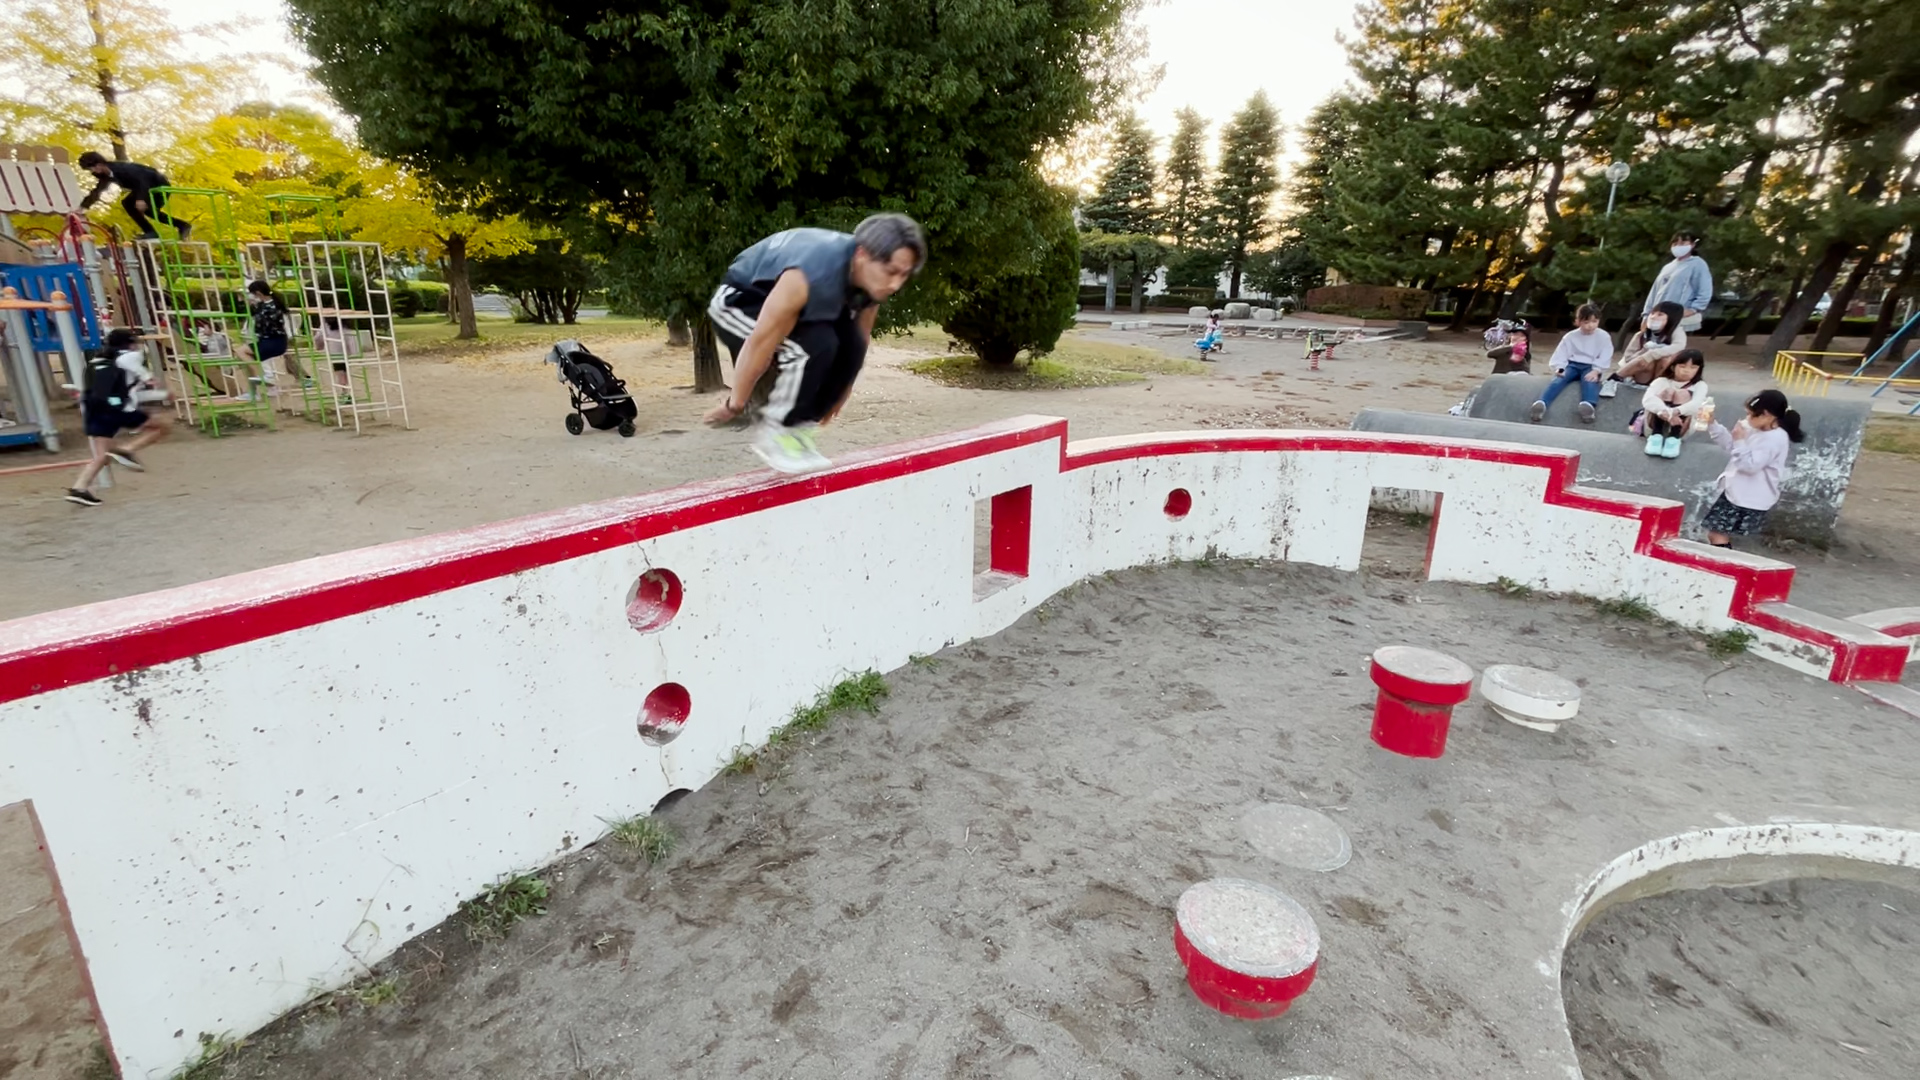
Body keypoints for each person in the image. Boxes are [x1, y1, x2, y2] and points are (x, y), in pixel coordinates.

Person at [702, 213, 927, 472]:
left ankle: (799, 431)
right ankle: (776, 433)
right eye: (890, 272)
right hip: (740, 300)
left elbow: (859, 340)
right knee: (813, 345)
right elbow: (759, 343)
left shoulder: (869, 284)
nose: (895, 285)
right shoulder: (806, 277)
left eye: (903, 275)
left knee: (846, 344)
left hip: (789, 302)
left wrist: (842, 389)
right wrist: (736, 404)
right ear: (862, 254)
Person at [66, 328, 171, 506]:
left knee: (102, 455)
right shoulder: (129, 356)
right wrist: (148, 377)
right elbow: (129, 389)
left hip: (93, 408)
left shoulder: (96, 361)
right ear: (129, 343)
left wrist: (160, 394)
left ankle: (80, 488)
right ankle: (127, 450)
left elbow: (127, 393)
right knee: (161, 427)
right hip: (116, 410)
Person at [1702, 389, 1803, 548]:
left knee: (1717, 534)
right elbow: (1731, 446)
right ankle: (1723, 564)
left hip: (1750, 496)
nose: (1747, 419)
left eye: (1751, 415)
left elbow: (1750, 466)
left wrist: (1740, 441)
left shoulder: (1775, 438)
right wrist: (1712, 425)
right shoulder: (1754, 428)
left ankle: (1722, 566)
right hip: (1736, 491)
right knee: (1716, 533)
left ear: (1767, 415)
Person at [76, 152, 191, 241]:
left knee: (133, 204)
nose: (92, 171)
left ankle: (155, 231)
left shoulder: (123, 168)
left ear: (100, 164)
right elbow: (98, 191)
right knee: (144, 210)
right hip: (144, 188)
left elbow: (144, 180)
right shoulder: (105, 175)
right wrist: (83, 207)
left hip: (157, 184)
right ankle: (179, 226)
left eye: (91, 168)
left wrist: (141, 198)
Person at [1529, 302, 1613, 424]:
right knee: (1558, 380)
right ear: (1578, 321)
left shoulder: (1603, 336)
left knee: (1589, 381)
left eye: (1594, 321)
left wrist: (1597, 370)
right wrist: (1560, 367)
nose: (1590, 326)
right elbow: (1562, 353)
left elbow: (1606, 354)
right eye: (1586, 322)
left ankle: (1588, 406)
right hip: (1572, 364)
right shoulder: (1571, 336)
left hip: (1591, 366)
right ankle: (1542, 403)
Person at [1639, 349, 1708, 459]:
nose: (1687, 371)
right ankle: (1656, 436)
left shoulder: (1700, 385)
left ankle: (1673, 439)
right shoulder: (1661, 381)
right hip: (1654, 423)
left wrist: (1676, 412)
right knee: (1668, 391)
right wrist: (1664, 411)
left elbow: (1697, 404)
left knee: (1683, 394)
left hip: (1682, 427)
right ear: (1673, 367)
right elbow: (1647, 400)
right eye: (1682, 366)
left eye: (1693, 367)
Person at [1642, 232, 1712, 334]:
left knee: (1675, 346)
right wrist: (1646, 315)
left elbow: (1705, 290)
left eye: (1683, 242)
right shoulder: (1668, 267)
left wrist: (1693, 309)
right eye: (1675, 243)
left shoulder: (1698, 264)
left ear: (1692, 245)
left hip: (1679, 320)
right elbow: (1654, 293)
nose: (1678, 246)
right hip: (1658, 319)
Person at [1608, 300, 1688, 388]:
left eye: (1660, 314)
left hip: (1661, 379)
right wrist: (1644, 351)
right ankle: (1614, 378)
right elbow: (1627, 359)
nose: (1653, 317)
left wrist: (1653, 354)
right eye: (1652, 313)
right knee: (1645, 360)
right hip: (1642, 375)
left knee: (1666, 359)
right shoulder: (1641, 336)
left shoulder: (1676, 333)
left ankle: (1657, 386)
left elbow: (1679, 347)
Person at [247, 281, 291, 389]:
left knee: (242, 352)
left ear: (258, 293)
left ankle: (264, 376)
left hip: (274, 341)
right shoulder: (264, 305)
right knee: (246, 356)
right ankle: (266, 382)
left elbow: (265, 324)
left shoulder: (272, 307)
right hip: (269, 340)